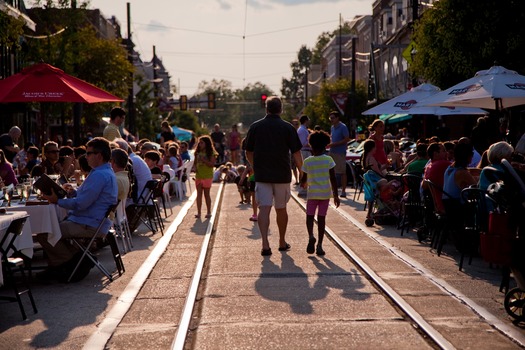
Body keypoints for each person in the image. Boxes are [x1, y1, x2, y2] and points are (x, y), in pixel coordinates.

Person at [37, 137, 118, 282]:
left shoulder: (99, 174)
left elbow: (81, 204)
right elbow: (85, 197)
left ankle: (68, 263)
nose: (85, 157)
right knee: (52, 227)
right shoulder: (102, 172)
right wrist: (72, 193)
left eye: (88, 154)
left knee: (46, 231)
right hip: (91, 221)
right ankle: (78, 259)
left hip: (88, 223)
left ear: (99, 155)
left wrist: (58, 201)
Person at [244, 96, 303, 256]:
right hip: (282, 174)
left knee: (264, 208)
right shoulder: (288, 127)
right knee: (281, 208)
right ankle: (282, 242)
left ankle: (265, 244)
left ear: (266, 108)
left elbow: (248, 151)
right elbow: (296, 153)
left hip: (262, 174)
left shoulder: (255, 127)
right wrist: (302, 172)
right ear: (281, 109)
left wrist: (255, 166)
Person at [300, 130, 340, 256]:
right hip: (325, 194)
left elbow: (303, 180)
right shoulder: (328, 159)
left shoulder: (308, 161)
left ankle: (311, 235)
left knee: (309, 216)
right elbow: (333, 178)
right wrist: (336, 195)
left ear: (311, 145)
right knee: (321, 219)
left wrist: (303, 183)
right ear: (325, 145)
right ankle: (320, 246)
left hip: (312, 194)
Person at [327, 111, 350, 197]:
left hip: (340, 152)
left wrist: (334, 144)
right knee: (331, 170)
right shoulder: (332, 127)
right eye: (330, 118)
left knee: (342, 172)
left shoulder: (343, 127)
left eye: (333, 118)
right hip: (332, 151)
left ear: (337, 118)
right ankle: (333, 189)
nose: (331, 120)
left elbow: (347, 139)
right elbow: (332, 139)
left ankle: (343, 191)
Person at [194, 135, 217, 219]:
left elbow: (212, 164)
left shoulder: (211, 153)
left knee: (207, 194)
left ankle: (208, 211)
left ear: (207, 143)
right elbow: (195, 163)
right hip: (199, 175)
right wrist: (195, 167)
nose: (200, 144)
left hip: (207, 176)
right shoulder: (197, 153)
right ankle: (199, 212)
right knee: (199, 194)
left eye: (202, 143)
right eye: (199, 143)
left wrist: (204, 160)